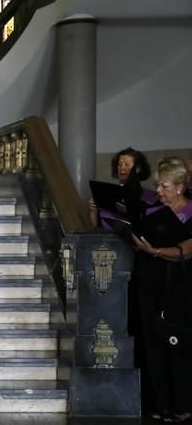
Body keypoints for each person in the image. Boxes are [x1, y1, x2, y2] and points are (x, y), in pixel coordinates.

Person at [131, 157, 192, 423]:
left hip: (178, 287)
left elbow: (187, 252)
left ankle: (182, 405)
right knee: (152, 346)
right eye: (157, 186)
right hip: (150, 286)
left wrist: (153, 250)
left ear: (179, 187)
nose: (158, 191)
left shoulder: (191, 213)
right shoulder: (154, 212)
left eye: (164, 186)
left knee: (176, 345)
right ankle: (160, 404)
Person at [88, 147, 156, 227]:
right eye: (119, 164)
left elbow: (148, 227)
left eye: (126, 164)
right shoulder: (108, 192)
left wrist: (129, 212)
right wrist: (93, 211)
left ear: (137, 169)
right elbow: (95, 228)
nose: (122, 168)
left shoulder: (149, 197)